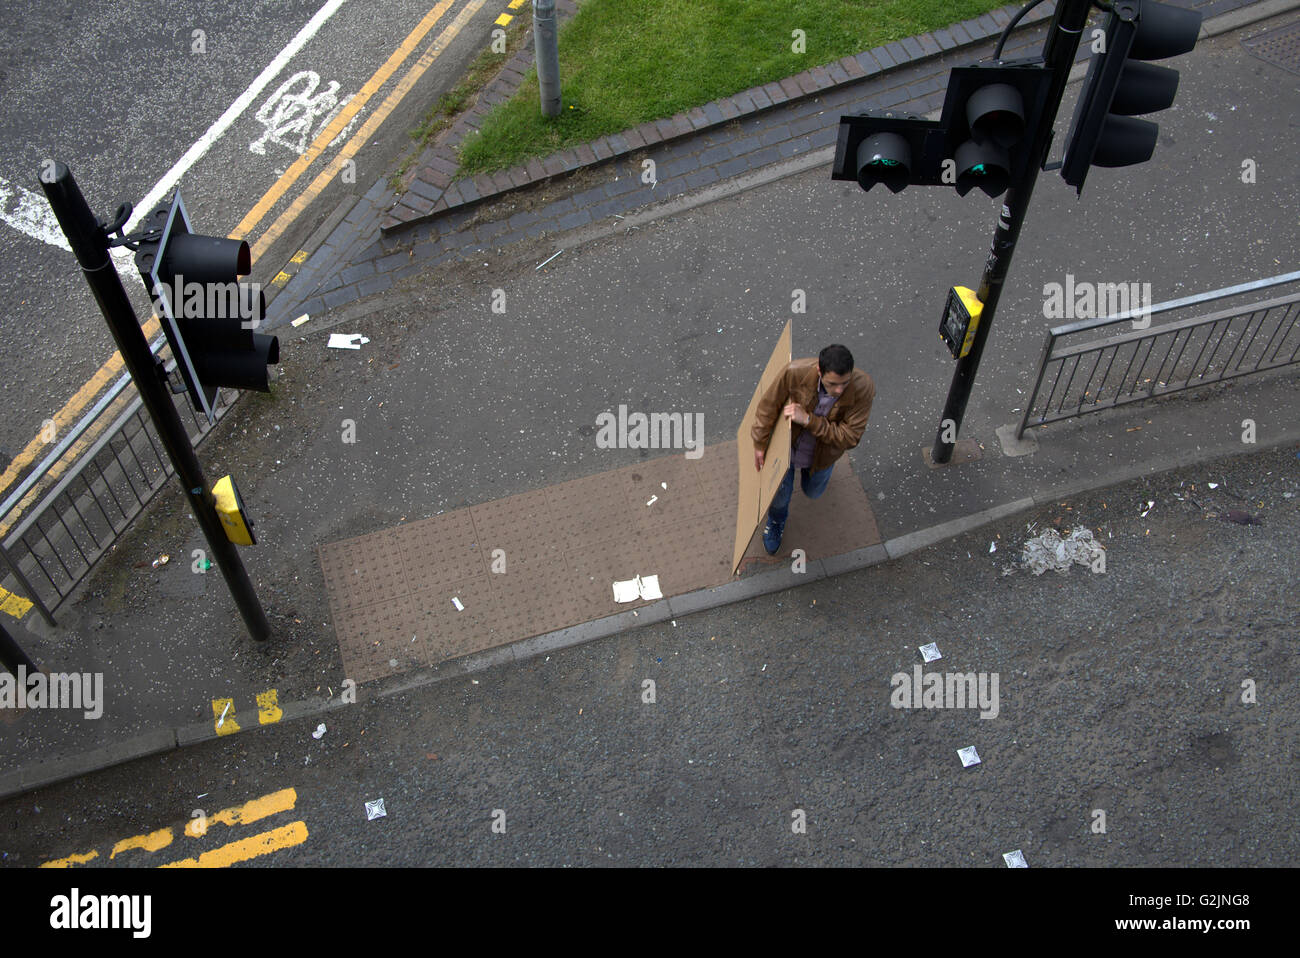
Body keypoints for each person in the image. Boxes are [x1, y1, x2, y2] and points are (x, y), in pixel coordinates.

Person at [751, 344, 875, 555]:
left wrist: (809, 420)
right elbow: (767, 407)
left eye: (845, 383)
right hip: (788, 450)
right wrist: (760, 444)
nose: (839, 390)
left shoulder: (863, 388)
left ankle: (808, 481)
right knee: (780, 497)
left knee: (813, 491)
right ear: (819, 370)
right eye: (833, 384)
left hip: (823, 456)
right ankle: (776, 522)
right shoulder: (793, 373)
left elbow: (851, 437)